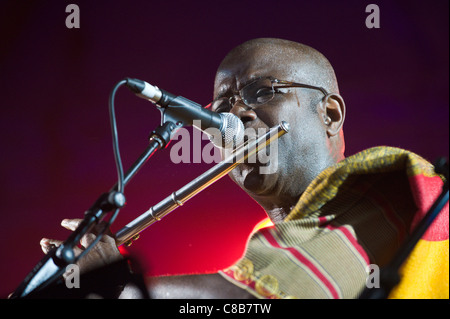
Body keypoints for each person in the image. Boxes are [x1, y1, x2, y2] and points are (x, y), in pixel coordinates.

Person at [39, 38, 448, 299]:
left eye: (261, 92)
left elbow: (259, 303)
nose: (236, 115)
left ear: (330, 114)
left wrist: (116, 285)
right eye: (220, 107)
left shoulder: (391, 182)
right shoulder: (266, 244)